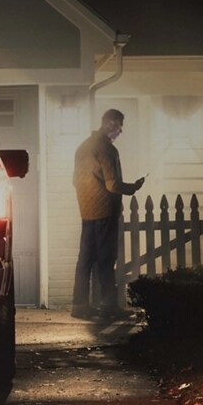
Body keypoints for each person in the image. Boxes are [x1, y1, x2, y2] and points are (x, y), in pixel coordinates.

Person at [72, 108, 143, 320]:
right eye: (119, 127)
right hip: (105, 211)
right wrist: (132, 188)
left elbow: (75, 180)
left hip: (86, 211)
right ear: (111, 124)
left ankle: (79, 305)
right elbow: (112, 185)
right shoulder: (108, 150)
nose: (120, 132)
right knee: (106, 259)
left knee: (85, 260)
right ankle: (109, 307)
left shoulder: (82, 148)